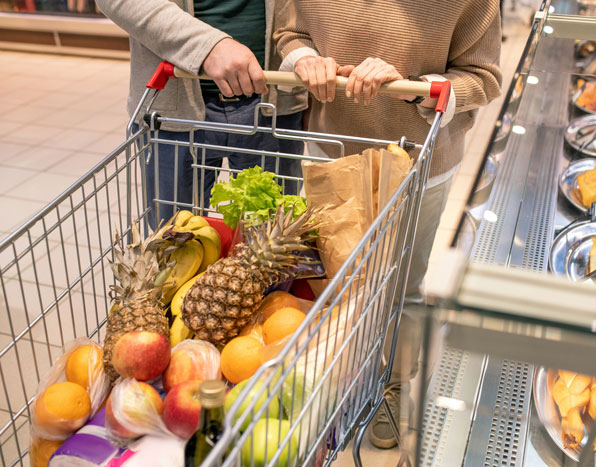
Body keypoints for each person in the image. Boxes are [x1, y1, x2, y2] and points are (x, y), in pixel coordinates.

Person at [275, 0, 502, 449]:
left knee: (406, 285)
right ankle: (334, 379)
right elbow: (288, 33)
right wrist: (306, 60)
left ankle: (394, 383)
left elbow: (483, 76)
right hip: (332, 149)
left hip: (421, 161)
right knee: (330, 280)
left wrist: (416, 87)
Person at [95, 0, 308, 227]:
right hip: (171, 108)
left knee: (274, 238)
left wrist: (305, 52)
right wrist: (208, 46)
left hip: (273, 100)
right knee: (174, 242)